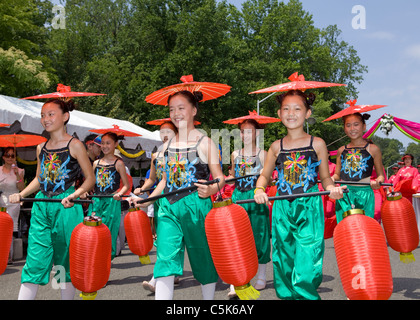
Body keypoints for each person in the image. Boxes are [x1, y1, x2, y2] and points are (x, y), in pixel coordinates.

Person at [133, 90, 225, 300]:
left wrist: (211, 189)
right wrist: (146, 199)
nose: (176, 113)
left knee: (202, 257)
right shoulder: (165, 147)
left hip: (197, 207)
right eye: (172, 109)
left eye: (181, 108)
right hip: (167, 207)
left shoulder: (205, 143)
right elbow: (164, 182)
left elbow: (219, 179)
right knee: (165, 258)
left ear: (193, 110)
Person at [253, 89, 345, 300]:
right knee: (283, 259)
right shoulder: (276, 146)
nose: (291, 113)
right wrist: (259, 189)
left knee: (307, 260)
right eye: (286, 109)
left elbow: (325, 179)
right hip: (281, 208)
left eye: (297, 108)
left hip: (310, 207)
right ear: (279, 113)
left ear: (307, 113)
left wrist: (332, 190)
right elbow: (265, 176)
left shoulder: (318, 143)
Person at [9, 98, 95, 300]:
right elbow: (40, 179)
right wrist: (21, 194)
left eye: (50, 114)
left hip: (66, 207)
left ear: (65, 117)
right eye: (42, 115)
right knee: (35, 260)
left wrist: (74, 195)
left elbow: (90, 179)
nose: (45, 119)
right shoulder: (41, 148)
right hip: (41, 206)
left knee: (64, 259)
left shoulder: (75, 145)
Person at [133, 121, 178, 293]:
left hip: (178, 199)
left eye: (168, 131)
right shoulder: (155, 154)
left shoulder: (180, 152)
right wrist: (142, 188)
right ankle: (159, 278)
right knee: (163, 241)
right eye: (161, 132)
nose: (164, 134)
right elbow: (153, 179)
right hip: (161, 200)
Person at [227, 119, 270, 297]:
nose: (245, 135)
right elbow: (232, 175)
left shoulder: (263, 154)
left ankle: (261, 275)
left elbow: (267, 178)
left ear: (257, 133)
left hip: (256, 198)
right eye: (242, 131)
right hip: (238, 197)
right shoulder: (234, 153)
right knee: (236, 238)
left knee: (259, 236)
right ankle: (237, 279)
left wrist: (263, 181)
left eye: (250, 131)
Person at [332, 114, 385, 224]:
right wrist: (331, 179)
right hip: (345, 195)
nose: (352, 129)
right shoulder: (341, 150)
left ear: (364, 126)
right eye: (348, 125)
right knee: (346, 230)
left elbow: (381, 175)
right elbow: (337, 174)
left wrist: (378, 182)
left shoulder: (373, 149)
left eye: (356, 124)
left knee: (364, 231)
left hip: (365, 195)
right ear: (344, 128)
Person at [89, 132, 130, 260]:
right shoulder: (96, 163)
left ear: (115, 144)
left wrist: (119, 193)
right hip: (96, 201)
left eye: (108, 143)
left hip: (112, 203)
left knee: (108, 234)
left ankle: (105, 263)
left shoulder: (118, 163)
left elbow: (126, 185)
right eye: (102, 143)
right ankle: (94, 262)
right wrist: (86, 191)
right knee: (93, 232)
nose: (105, 146)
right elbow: (91, 182)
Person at [0, 147, 25, 264]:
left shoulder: (20, 171)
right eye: (8, 155)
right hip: (1, 201)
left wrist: (17, 175)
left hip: (13, 202)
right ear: (3, 157)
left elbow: (22, 189)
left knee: (8, 229)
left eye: (12, 155)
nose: (10, 158)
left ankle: (8, 256)